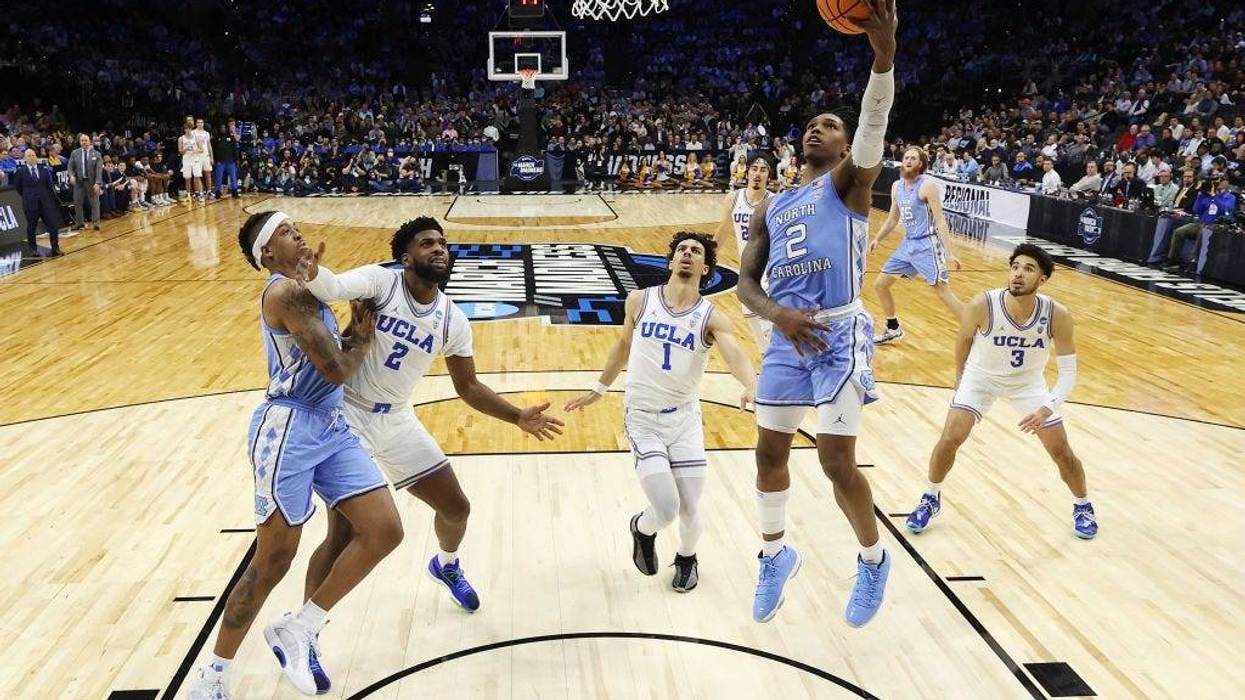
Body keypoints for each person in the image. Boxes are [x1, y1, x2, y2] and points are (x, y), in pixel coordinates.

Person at [187, 211, 404, 700]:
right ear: (267, 253)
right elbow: (335, 369)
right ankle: (213, 676)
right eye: (286, 232)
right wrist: (363, 337)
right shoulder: (284, 294)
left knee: (384, 529)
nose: (298, 234)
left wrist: (350, 323)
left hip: (329, 424)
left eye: (296, 228)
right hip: (289, 429)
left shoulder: (306, 293)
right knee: (272, 563)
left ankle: (300, 629)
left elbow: (335, 354)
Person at [299, 216, 565, 613]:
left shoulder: (452, 319)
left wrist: (516, 416)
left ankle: (446, 564)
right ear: (406, 258)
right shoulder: (382, 283)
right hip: (348, 416)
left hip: (397, 419)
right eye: (427, 243)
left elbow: (469, 386)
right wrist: (314, 272)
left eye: (442, 243)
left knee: (456, 508)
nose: (439, 248)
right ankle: (304, 630)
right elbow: (334, 288)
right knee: (342, 532)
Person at [736, 0, 897, 628]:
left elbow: (872, 128)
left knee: (835, 462)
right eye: (811, 124)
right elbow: (745, 282)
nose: (817, 129)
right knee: (767, 457)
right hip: (785, 336)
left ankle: (874, 558)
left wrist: (882, 60)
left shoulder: (849, 185)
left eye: (829, 124)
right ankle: (774, 556)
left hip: (838, 330)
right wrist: (777, 315)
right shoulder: (772, 206)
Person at [564, 232, 757, 592]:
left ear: (706, 268)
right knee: (666, 509)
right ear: (671, 262)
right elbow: (623, 346)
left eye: (695, 251)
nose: (687, 254)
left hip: (684, 419)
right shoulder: (639, 300)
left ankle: (686, 558)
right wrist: (598, 389)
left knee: (689, 509)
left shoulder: (712, 317)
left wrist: (751, 384)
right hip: (642, 418)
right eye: (681, 250)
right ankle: (642, 527)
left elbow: (736, 354)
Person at [904, 244, 1098, 539]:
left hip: (1028, 384)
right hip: (981, 378)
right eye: (1015, 266)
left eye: (1028, 269)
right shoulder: (984, 303)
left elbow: (1069, 374)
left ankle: (1082, 506)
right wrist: (961, 378)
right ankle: (931, 496)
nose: (1019, 274)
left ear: (1042, 280)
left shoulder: (1057, 314)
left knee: (1061, 451)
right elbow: (963, 340)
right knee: (950, 437)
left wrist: (1047, 407)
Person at [871, 145, 963, 344]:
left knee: (942, 291)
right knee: (880, 285)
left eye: (913, 158)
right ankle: (893, 328)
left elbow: (940, 220)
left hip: (926, 245)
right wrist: (878, 238)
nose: (908, 161)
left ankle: (975, 329)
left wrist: (950, 253)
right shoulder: (897, 186)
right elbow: (893, 218)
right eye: (906, 157)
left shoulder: (927, 186)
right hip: (907, 245)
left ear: (920, 164)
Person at [718, 153, 775, 351]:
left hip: (771, 271)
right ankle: (770, 368)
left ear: (769, 175)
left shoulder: (775, 201)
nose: (758, 174)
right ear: (747, 172)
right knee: (757, 329)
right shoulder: (734, 198)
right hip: (747, 272)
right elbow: (722, 232)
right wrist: (707, 257)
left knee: (769, 327)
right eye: (754, 169)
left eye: (763, 169)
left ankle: (780, 372)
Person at [13, 148, 64, 256]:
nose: (32, 157)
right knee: (31, 227)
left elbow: (49, 186)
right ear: (25, 158)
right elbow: (18, 188)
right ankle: (33, 249)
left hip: (45, 203)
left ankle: (55, 248)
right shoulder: (20, 172)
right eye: (29, 156)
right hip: (30, 203)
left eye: (33, 155)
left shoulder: (44, 170)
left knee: (52, 225)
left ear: (36, 157)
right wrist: (28, 196)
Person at [69, 133, 102, 230]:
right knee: (77, 202)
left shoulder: (96, 154)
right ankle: (79, 222)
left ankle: (96, 222)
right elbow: (70, 166)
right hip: (79, 182)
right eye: (82, 140)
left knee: (94, 202)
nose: (84, 142)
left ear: (89, 141)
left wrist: (97, 183)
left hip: (92, 182)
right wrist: (71, 175)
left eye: (86, 140)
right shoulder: (75, 153)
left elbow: (99, 170)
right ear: (80, 142)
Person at [179, 123, 205, 201]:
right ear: (184, 129)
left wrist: (195, 150)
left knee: (197, 177)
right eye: (186, 129)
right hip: (186, 159)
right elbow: (180, 151)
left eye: (189, 128)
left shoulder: (197, 138)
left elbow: (202, 149)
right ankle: (188, 195)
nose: (188, 130)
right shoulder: (181, 138)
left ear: (191, 129)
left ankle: (199, 194)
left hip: (195, 159)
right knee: (187, 178)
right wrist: (185, 149)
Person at [214, 124, 241, 198]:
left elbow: (235, 149)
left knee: (233, 176)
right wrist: (215, 160)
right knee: (218, 177)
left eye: (224, 127)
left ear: (226, 128)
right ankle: (217, 192)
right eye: (221, 127)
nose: (223, 129)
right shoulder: (216, 139)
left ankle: (234, 191)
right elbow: (214, 150)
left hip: (230, 161)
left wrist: (236, 159)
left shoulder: (231, 138)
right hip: (220, 161)